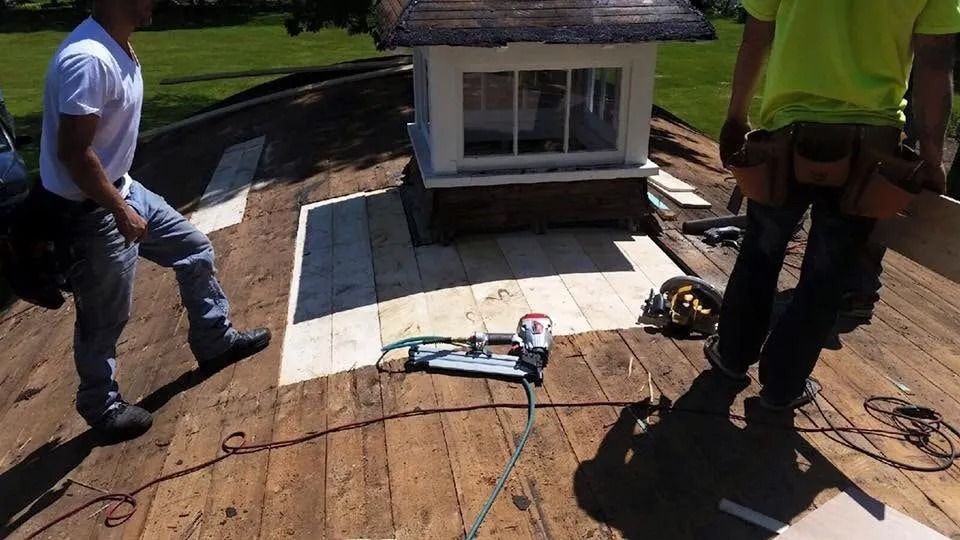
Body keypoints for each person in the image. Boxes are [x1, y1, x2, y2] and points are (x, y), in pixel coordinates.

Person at [706, 0, 959, 410]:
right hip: (870, 147)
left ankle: (731, 357)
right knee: (828, 272)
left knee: (761, 252)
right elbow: (934, 64)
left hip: (786, 131)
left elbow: (757, 36)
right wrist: (932, 159)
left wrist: (736, 115)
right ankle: (783, 387)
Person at [40, 0, 271, 440]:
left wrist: (123, 196)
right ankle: (100, 404)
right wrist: (118, 208)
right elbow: (73, 153)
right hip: (92, 210)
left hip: (121, 188)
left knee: (193, 248)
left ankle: (214, 340)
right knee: (105, 315)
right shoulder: (87, 59)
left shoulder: (116, 45)